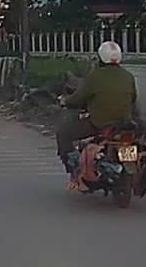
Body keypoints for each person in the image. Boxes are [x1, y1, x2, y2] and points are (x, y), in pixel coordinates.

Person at [56, 41, 137, 174]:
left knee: (63, 134)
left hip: (99, 124)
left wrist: (65, 101)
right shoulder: (128, 76)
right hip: (124, 124)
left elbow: (78, 98)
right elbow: (133, 98)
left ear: (100, 58)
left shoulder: (95, 76)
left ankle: (74, 166)